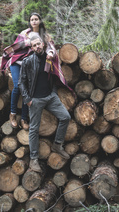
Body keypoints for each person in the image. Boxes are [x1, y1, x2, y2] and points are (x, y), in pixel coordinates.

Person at [18, 35, 71, 173]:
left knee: (65, 117)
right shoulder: (28, 61)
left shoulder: (50, 58)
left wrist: (53, 92)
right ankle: (34, 159)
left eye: (38, 44)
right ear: (31, 48)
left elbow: (53, 76)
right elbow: (21, 83)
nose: (37, 47)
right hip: (35, 99)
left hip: (50, 97)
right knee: (34, 129)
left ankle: (57, 145)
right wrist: (28, 99)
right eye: (34, 46)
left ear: (42, 43)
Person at [1, 12, 56, 130]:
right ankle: (13, 113)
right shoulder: (25, 33)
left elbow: (51, 48)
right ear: (30, 22)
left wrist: (50, 53)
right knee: (17, 86)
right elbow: (16, 46)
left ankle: (24, 118)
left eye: (36, 19)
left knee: (29, 90)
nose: (34, 21)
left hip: (31, 65)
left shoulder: (45, 36)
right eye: (32, 19)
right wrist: (27, 43)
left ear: (40, 21)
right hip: (18, 63)